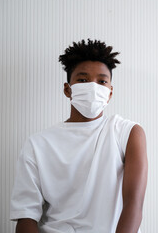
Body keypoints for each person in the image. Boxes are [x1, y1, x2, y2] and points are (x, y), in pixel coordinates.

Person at [10, 39, 148, 233]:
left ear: (109, 93)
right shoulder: (38, 144)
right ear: (68, 89)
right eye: (83, 80)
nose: (93, 87)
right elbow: (25, 217)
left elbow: (134, 204)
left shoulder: (128, 132)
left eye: (102, 81)